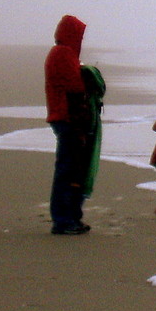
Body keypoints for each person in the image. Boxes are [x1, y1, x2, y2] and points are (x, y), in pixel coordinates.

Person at [45, 15, 92, 235]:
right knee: (68, 172)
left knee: (72, 171)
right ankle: (63, 220)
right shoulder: (64, 54)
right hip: (67, 119)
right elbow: (75, 90)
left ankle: (71, 217)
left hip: (63, 117)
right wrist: (81, 124)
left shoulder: (62, 53)